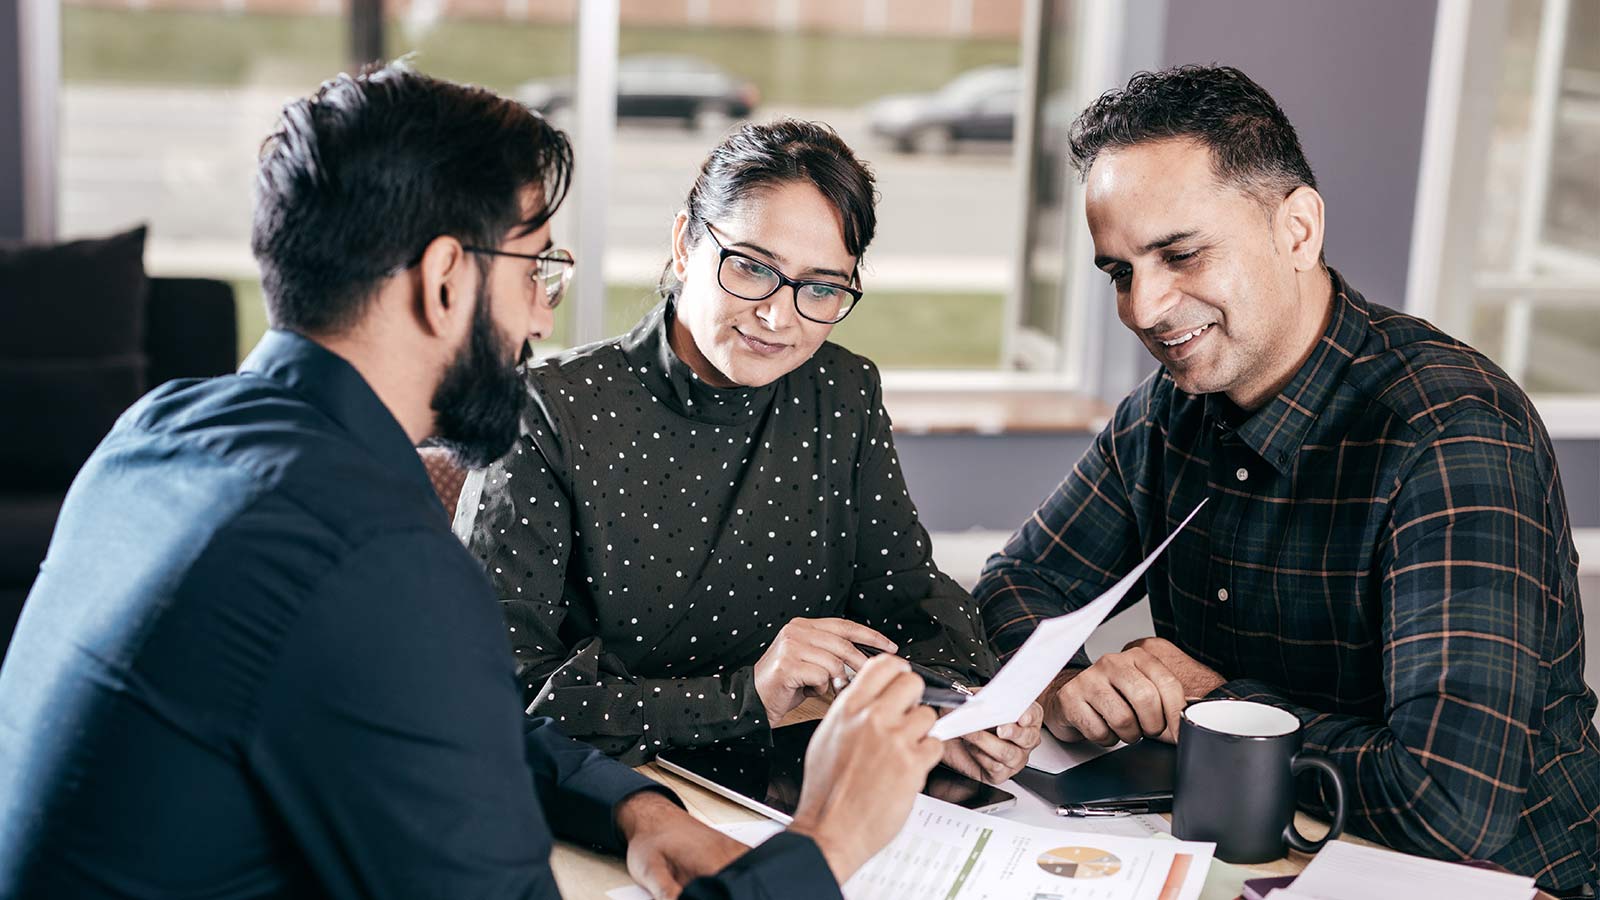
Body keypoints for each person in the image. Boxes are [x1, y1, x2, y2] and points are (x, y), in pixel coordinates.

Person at [0, 64, 947, 900]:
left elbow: (460, 720)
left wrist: (632, 810)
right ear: (447, 279)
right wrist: (827, 842)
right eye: (537, 267)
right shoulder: (375, 560)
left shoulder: (158, 433)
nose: (543, 311)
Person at [975, 64, 1600, 893]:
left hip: (1494, 880)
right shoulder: (1173, 407)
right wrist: (1068, 682)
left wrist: (1217, 712)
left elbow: (1449, 803)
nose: (1144, 308)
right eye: (1120, 271)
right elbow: (1018, 583)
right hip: (1263, 856)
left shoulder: (1452, 434)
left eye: (1181, 253)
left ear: (1298, 230)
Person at [455, 119, 1043, 784]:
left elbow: (911, 604)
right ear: (684, 244)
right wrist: (748, 693)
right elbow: (497, 694)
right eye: (752, 268)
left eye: (821, 287)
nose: (778, 317)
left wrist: (955, 712)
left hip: (799, 783)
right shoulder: (548, 409)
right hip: (606, 792)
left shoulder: (842, 391)